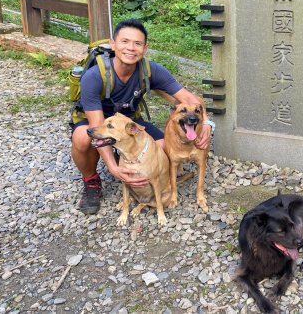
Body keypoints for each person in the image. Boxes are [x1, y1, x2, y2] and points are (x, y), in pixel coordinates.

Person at [70, 19, 212, 214]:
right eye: (125, 42)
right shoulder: (94, 77)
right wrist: (114, 169)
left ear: (145, 49)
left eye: (137, 44)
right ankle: (91, 181)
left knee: (164, 148)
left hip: (130, 122)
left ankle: (154, 177)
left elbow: (189, 98)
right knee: (83, 138)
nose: (131, 48)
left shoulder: (150, 69)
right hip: (99, 121)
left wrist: (207, 123)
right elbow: (97, 126)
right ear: (113, 44)